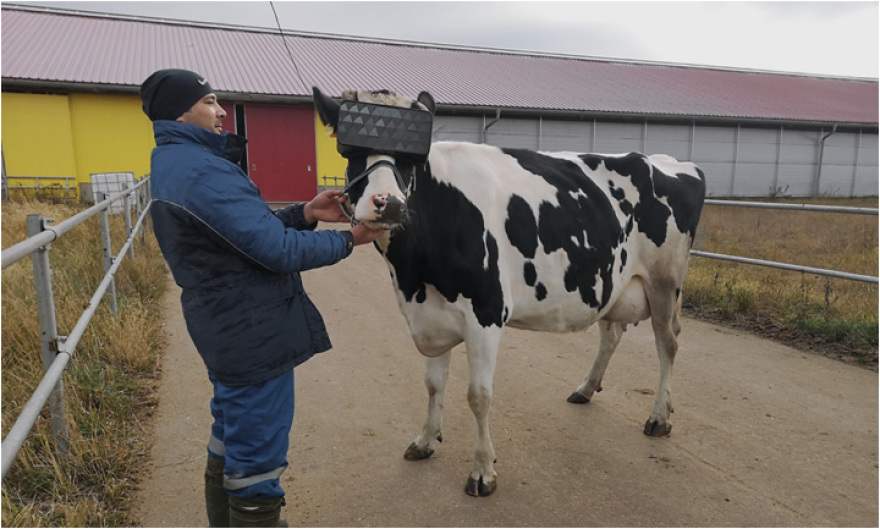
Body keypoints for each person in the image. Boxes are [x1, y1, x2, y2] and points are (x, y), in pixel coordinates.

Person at [140, 69, 384, 527]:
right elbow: (277, 250)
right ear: (181, 111)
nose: (221, 111)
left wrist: (307, 212)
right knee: (257, 460)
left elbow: (243, 235)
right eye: (210, 101)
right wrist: (351, 239)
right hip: (249, 330)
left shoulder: (180, 163)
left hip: (227, 324)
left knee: (231, 436)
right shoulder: (200, 171)